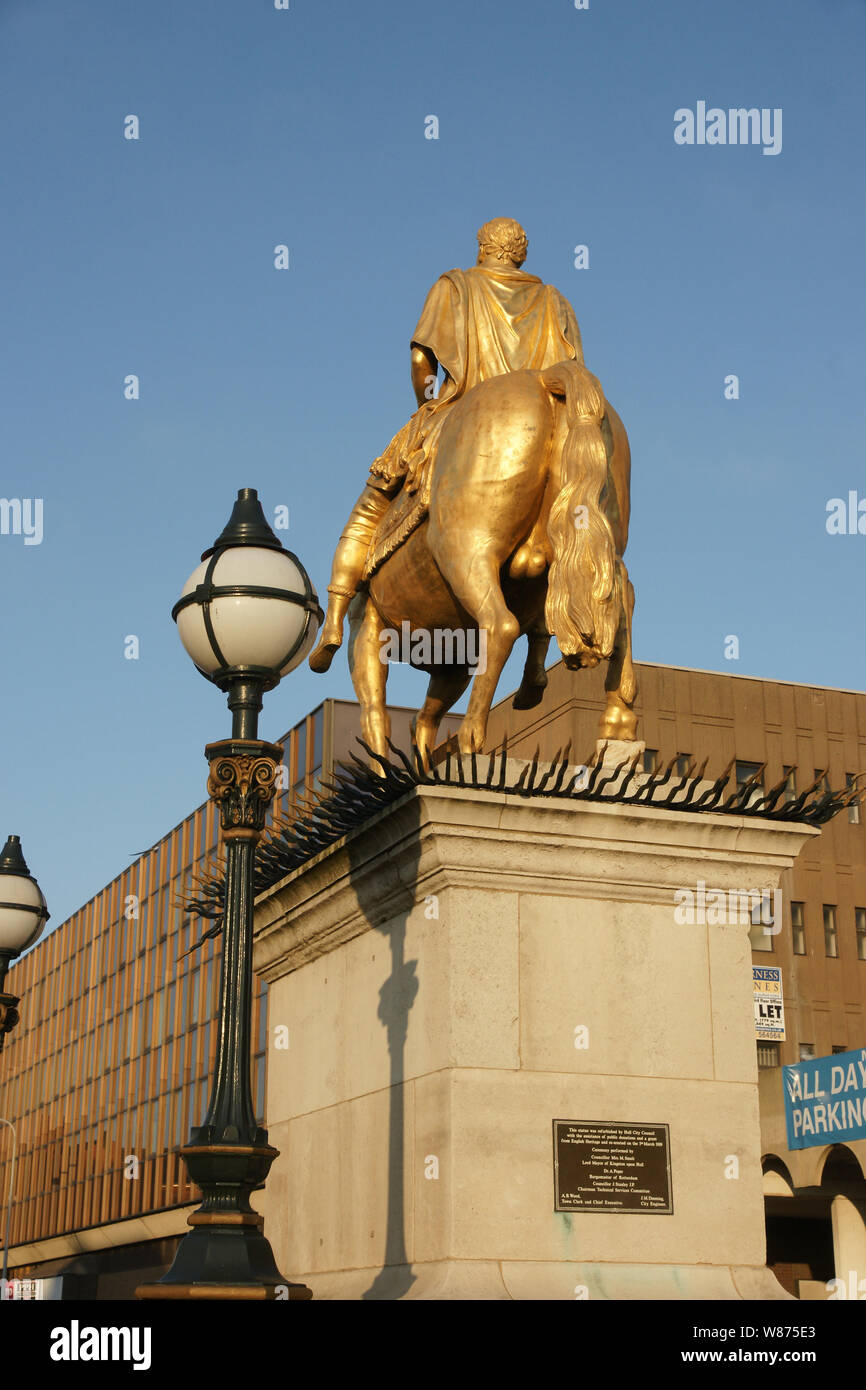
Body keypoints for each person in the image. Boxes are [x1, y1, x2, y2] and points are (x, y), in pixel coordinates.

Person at [309, 217, 585, 672]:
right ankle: (538, 652)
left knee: (370, 506)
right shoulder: (556, 301)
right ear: (521, 252)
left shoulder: (455, 286)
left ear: (482, 248)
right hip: (552, 429)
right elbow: (570, 374)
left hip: (463, 414)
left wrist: (430, 404)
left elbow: (422, 359)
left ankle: (335, 621)